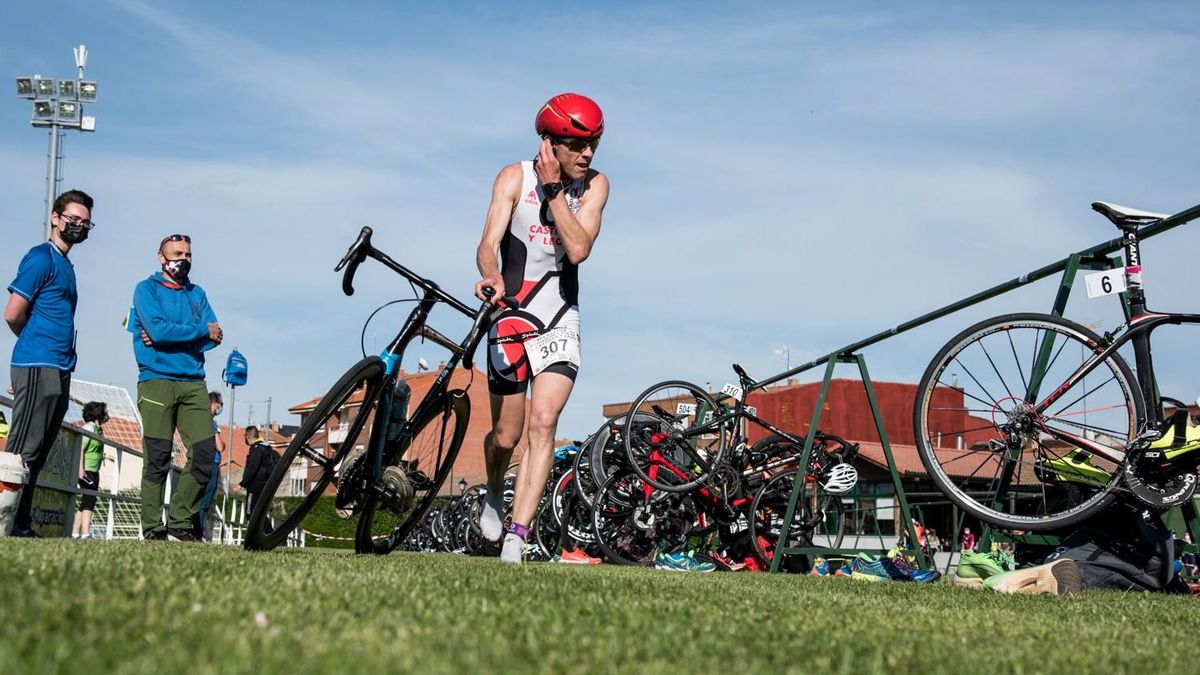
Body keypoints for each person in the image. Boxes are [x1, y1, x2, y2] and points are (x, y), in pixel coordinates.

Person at [473, 93, 610, 564]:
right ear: (550, 142)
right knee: (505, 437)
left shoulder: (594, 186)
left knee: (544, 421)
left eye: (593, 145)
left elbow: (579, 249)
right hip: (511, 314)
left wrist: (555, 190)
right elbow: (487, 244)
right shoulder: (513, 177)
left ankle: (517, 535)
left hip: (558, 317)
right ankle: (495, 491)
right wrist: (491, 274)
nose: (587, 154)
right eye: (577, 145)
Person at [4, 189, 94, 537]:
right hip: (38, 364)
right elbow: (13, 313)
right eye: (73, 218)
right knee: (21, 450)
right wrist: (31, 356)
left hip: (59, 368)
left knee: (39, 452)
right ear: (55, 218)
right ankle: (6, 522)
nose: (79, 225)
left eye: (85, 222)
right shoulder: (40, 258)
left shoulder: (66, 265)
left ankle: (20, 522)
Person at [128, 233, 222, 541]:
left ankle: (180, 522)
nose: (184, 259)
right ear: (161, 257)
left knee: (204, 454)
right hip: (156, 382)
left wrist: (170, 336)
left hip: (194, 384)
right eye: (177, 253)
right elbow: (159, 331)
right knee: (157, 458)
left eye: (188, 254)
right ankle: (153, 528)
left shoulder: (198, 293)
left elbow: (215, 337)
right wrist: (198, 331)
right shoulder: (146, 290)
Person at [72, 401, 108, 539]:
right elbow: (81, 448)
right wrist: (81, 470)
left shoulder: (98, 429)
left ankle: (75, 533)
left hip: (94, 470)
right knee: (89, 501)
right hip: (87, 469)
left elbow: (94, 449)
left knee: (85, 502)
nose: (107, 414)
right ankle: (86, 534)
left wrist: (105, 456)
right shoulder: (89, 428)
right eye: (105, 411)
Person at [195, 390, 225, 540]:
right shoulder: (210, 422)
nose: (221, 407)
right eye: (220, 404)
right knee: (204, 501)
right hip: (211, 463)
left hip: (206, 462)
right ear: (213, 404)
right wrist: (218, 436)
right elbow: (220, 446)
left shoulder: (202, 420)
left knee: (202, 501)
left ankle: (198, 533)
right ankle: (198, 533)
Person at [239, 426, 279, 518]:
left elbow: (252, 468)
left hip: (255, 486)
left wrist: (242, 484)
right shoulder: (267, 447)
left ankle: (266, 527)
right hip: (266, 485)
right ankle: (267, 527)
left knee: (250, 513)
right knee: (260, 514)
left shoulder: (256, 449)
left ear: (247, 437)